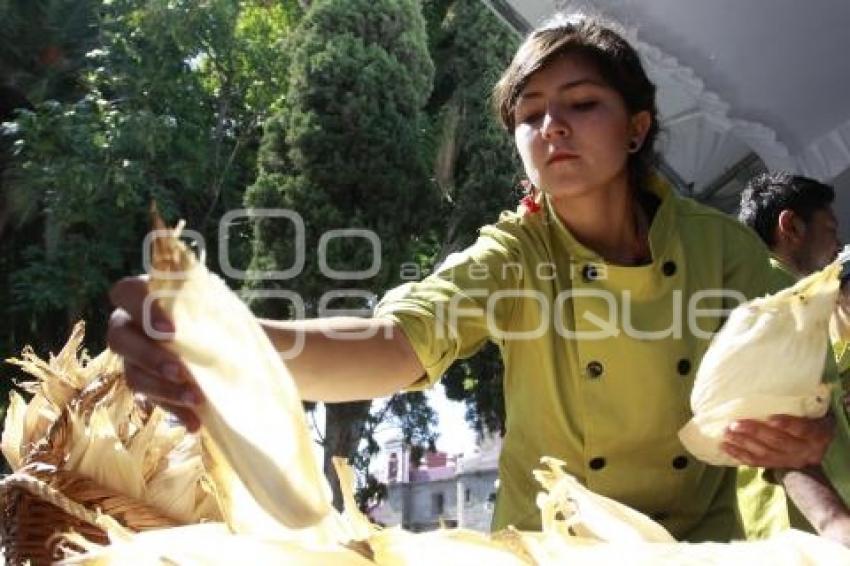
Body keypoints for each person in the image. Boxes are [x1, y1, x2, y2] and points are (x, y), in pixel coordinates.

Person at [107, 15, 842, 542]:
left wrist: (821, 479)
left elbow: (797, 407)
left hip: (702, 551)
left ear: (637, 127)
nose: (551, 126)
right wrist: (235, 344)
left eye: (582, 104)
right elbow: (394, 342)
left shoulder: (728, 254)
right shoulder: (512, 255)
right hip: (553, 549)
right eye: (529, 114)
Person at [737, 172, 850, 542]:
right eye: (830, 229)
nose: (837, 244)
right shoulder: (770, 291)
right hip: (802, 517)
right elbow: (769, 415)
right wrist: (831, 519)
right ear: (791, 226)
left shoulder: (784, 291)